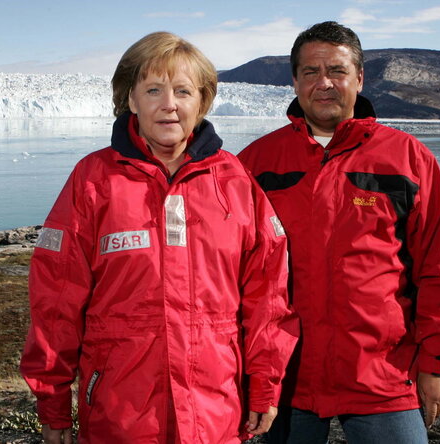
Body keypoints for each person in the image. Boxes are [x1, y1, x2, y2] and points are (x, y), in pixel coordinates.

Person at [20, 31, 299, 444]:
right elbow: (56, 300)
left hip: (214, 411)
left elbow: (268, 297)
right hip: (120, 413)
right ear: (131, 99)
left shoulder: (234, 183)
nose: (169, 104)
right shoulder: (94, 180)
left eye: (183, 91)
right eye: (153, 89)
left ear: (201, 102)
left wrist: (264, 383)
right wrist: (53, 402)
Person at [238, 21, 440, 443]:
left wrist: (436, 365)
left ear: (359, 78)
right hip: (287, 379)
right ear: (295, 81)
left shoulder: (407, 158)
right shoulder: (256, 163)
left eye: (337, 71)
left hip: (383, 376)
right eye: (310, 72)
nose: (324, 83)